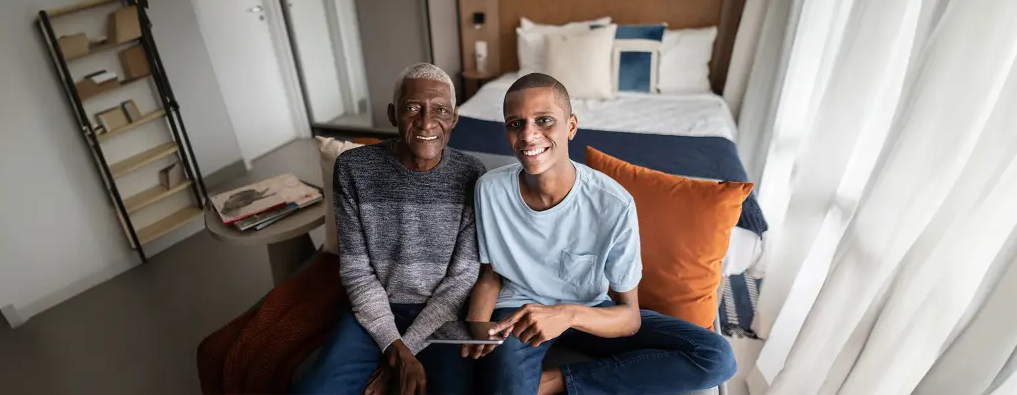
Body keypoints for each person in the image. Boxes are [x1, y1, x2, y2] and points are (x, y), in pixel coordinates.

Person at [464, 73, 737, 395]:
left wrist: (567, 315)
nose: (528, 135)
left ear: (571, 126)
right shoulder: (490, 189)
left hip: (589, 311)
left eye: (544, 120)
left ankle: (556, 383)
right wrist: (479, 331)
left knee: (716, 357)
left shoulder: (614, 203)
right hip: (518, 315)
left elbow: (629, 318)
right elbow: (489, 274)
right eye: (515, 124)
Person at [293, 63, 486, 395]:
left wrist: (398, 355)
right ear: (393, 114)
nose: (427, 122)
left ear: (454, 119)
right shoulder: (354, 169)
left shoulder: (472, 175)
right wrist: (396, 350)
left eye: (440, 110)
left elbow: (462, 281)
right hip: (374, 308)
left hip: (442, 314)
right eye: (413, 108)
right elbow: (356, 271)